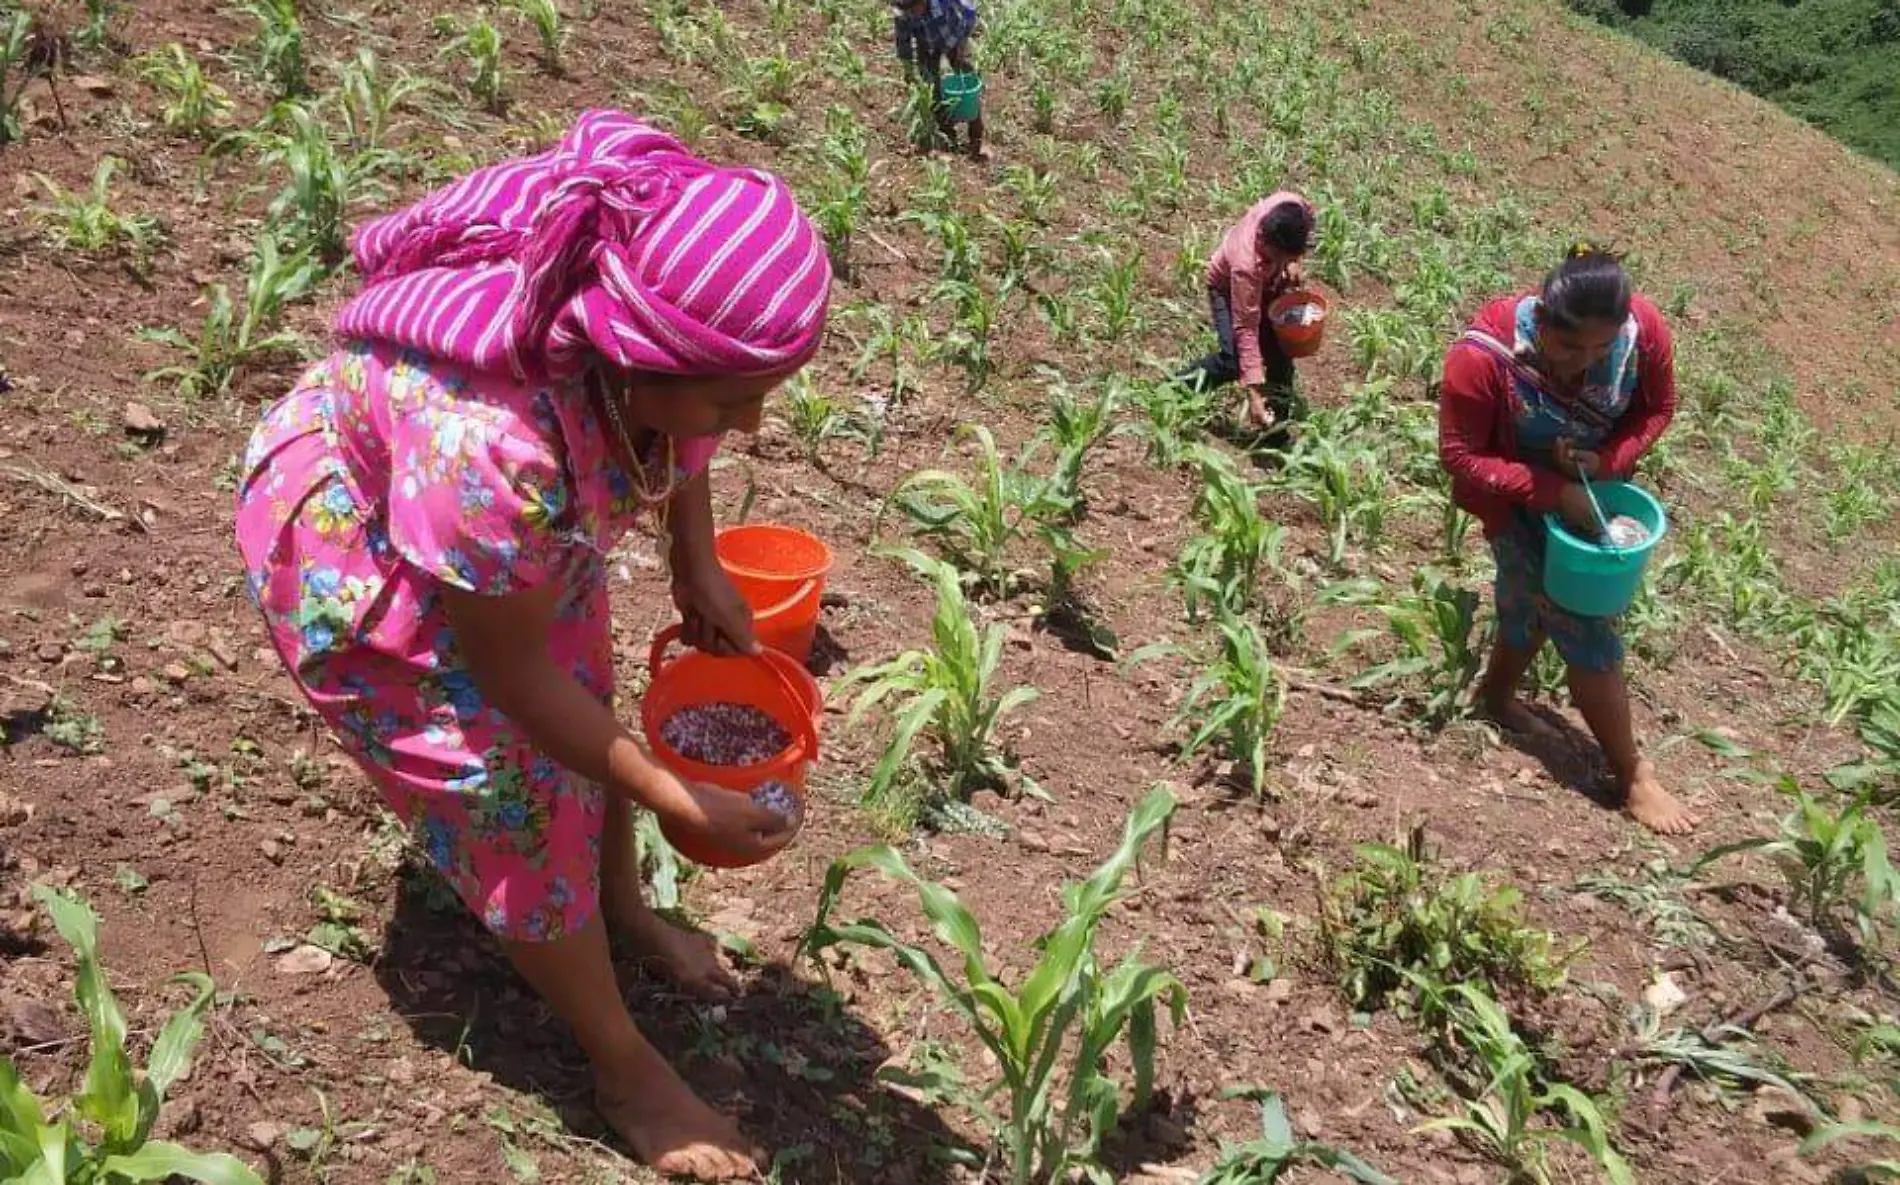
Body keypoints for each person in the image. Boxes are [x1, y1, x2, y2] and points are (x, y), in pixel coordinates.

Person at [235, 110, 832, 1182]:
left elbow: (684, 433)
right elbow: (511, 678)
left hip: (500, 539)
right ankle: (623, 1066)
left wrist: (695, 560)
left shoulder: (641, 346)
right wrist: (670, 794)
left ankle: (622, 910)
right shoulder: (493, 448)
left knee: (587, 692)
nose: (747, 428)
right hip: (359, 546)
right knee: (504, 783)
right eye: (734, 400)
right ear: (632, 359)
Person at [1438, 245, 1696, 836]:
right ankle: (1632, 774)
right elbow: (1460, 454)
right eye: (1569, 346)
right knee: (1578, 620)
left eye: (1601, 348)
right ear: (1541, 321)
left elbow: (1658, 411)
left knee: (1544, 603)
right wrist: (1553, 491)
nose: (1585, 362)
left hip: (1593, 492)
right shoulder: (1484, 358)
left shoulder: (1643, 332)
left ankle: (1496, 697)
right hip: (1518, 496)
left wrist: (1604, 460)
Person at [1176, 191, 1315, 431]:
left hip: (1266, 284)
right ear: (1269, 243)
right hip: (1226, 289)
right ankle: (1176, 389)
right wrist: (1254, 393)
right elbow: (1246, 328)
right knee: (1234, 359)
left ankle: (1275, 430)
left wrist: (1293, 262)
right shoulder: (1246, 265)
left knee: (1280, 353)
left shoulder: (1292, 205)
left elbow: (1309, 217)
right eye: (1281, 255)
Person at [893, 0, 988, 160]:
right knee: (932, 91)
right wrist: (908, 69)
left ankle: (975, 142)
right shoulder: (904, 14)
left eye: (914, 9)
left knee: (967, 83)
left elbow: (969, 13)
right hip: (927, 45)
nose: (912, 14)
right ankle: (947, 139)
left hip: (954, 37)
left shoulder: (944, 3)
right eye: (908, 11)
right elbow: (903, 43)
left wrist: (961, 45)